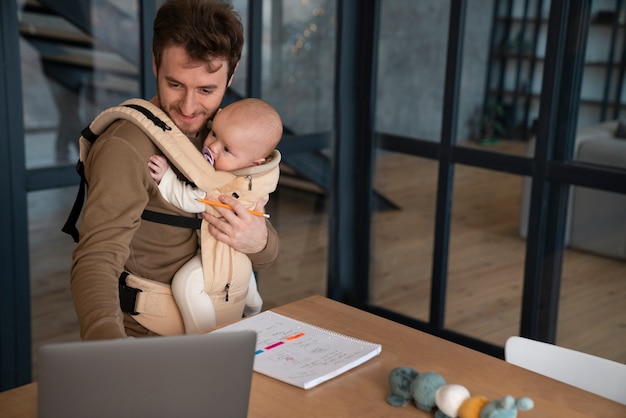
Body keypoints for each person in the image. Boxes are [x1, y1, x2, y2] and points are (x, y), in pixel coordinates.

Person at [70, 0, 279, 340]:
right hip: (148, 339)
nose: (189, 107)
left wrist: (259, 241)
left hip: (229, 329)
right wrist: (108, 352)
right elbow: (96, 259)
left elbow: (266, 254)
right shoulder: (125, 147)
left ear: (232, 74)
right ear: (155, 65)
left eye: (207, 90)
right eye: (176, 84)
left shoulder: (231, 138)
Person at [148, 97, 282, 333]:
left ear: (255, 161)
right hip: (240, 256)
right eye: (213, 134)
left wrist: (166, 178)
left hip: (219, 251)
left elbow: (191, 199)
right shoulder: (262, 177)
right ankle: (254, 306)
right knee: (243, 274)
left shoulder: (223, 181)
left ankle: (203, 335)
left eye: (227, 149)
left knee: (187, 283)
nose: (213, 147)